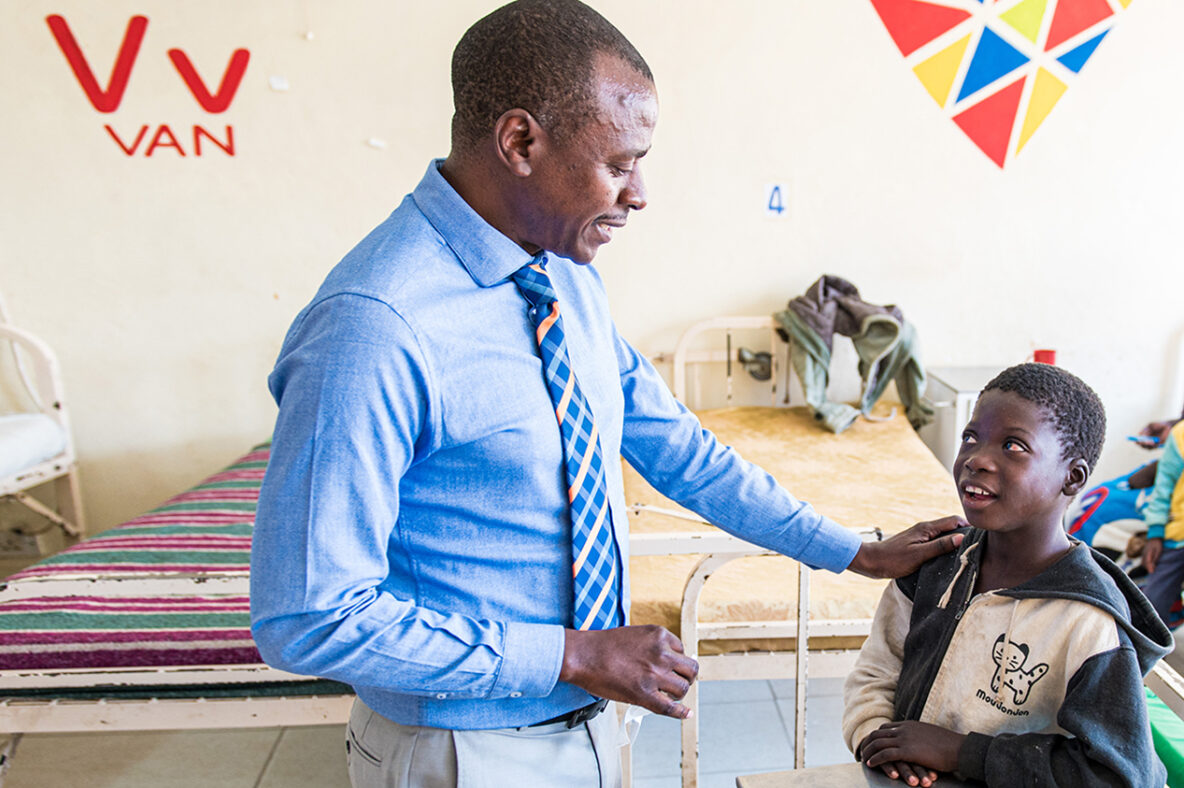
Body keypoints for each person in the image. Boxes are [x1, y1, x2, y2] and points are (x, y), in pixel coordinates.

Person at [250, 2, 963, 785]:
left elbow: (679, 450)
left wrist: (849, 550)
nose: (640, 192)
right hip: (465, 753)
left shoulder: (560, 275)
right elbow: (308, 616)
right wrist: (574, 651)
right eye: (620, 164)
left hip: (588, 725)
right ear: (520, 142)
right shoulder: (375, 329)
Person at [843, 363, 1171, 788]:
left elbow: (1119, 775)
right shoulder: (934, 565)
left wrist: (961, 753)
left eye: (1013, 446)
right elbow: (876, 674)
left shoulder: (1087, 622)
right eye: (970, 438)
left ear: (1072, 477)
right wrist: (879, 741)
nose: (976, 459)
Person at [1142, 418, 1184, 625]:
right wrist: (1156, 532)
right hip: (1178, 536)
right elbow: (1164, 485)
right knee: (1152, 609)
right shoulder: (1180, 434)